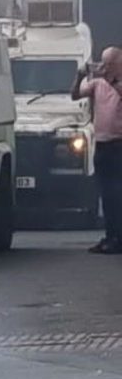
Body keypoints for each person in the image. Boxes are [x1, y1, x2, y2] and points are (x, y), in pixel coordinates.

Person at [73, 47, 122, 253]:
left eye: (109, 63)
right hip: (102, 144)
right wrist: (80, 76)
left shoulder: (116, 84)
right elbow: (75, 95)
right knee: (107, 194)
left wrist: (111, 79)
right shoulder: (97, 84)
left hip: (119, 144)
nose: (105, 67)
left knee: (117, 193)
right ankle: (111, 236)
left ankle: (118, 237)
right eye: (103, 63)